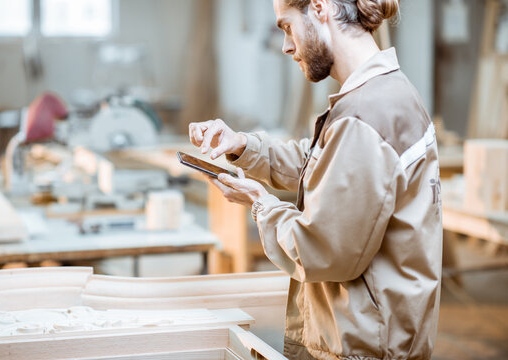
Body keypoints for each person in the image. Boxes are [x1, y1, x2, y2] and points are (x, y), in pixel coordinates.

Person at [188, 0, 442, 359]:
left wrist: (261, 204)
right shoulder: (383, 95)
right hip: (373, 337)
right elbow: (324, 164)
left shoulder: (366, 114)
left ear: (320, 8)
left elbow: (321, 250)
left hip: (363, 348)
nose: (286, 46)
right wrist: (243, 146)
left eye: (287, 26)